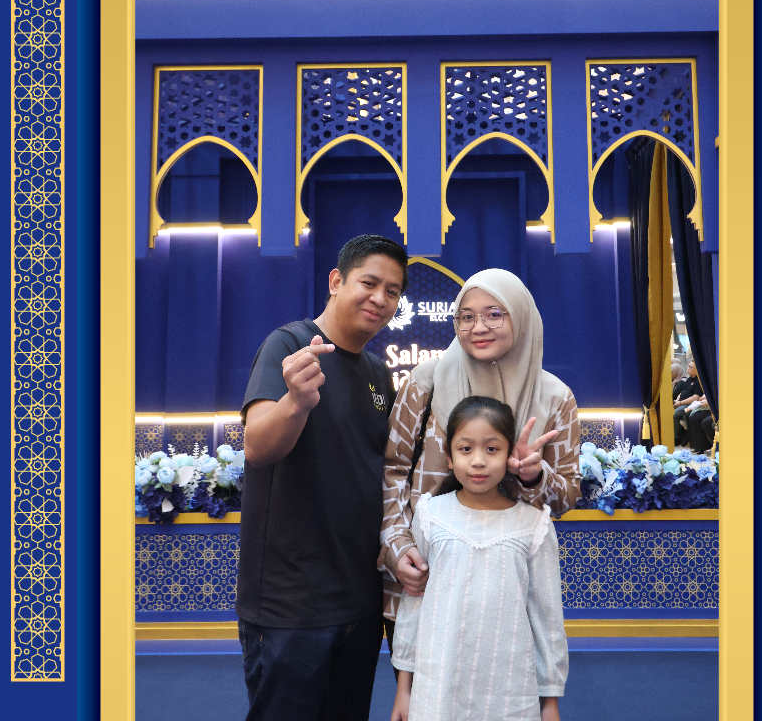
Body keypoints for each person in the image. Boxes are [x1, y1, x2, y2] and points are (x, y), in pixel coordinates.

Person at [236, 234, 408, 721]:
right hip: (291, 605)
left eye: (392, 291)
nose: (380, 299)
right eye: (369, 283)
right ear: (336, 281)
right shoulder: (289, 345)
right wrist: (295, 403)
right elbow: (257, 447)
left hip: (359, 603)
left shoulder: (379, 373)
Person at [380, 267, 581, 624]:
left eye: (494, 314)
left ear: (520, 316)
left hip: (505, 588)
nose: (478, 327)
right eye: (467, 317)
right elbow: (393, 470)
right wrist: (398, 545)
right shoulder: (426, 381)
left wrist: (534, 477)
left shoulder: (554, 398)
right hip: (424, 578)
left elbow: (566, 498)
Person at [389, 396, 568, 721]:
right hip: (437, 687)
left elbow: (547, 618)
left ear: (510, 455)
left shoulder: (534, 525)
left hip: (510, 691)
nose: (478, 461)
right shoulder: (431, 515)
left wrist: (550, 702)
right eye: (466, 448)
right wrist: (404, 688)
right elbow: (414, 603)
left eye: (492, 449)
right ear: (449, 456)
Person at [672, 358, 704, 448]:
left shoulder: (699, 381)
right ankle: (682, 434)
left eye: (691, 367)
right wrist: (677, 401)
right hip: (681, 403)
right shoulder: (690, 379)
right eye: (688, 366)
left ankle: (677, 438)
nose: (688, 369)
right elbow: (682, 392)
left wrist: (680, 403)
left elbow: (696, 397)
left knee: (675, 413)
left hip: (691, 405)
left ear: (697, 370)